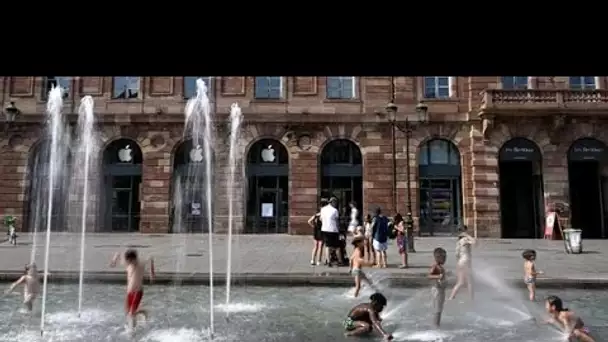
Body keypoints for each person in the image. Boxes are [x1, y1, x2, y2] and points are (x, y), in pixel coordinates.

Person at [109, 249, 155, 333]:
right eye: (128, 260)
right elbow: (117, 254)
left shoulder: (141, 263)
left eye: (131, 260)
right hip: (129, 292)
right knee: (128, 313)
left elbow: (151, 258)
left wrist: (152, 273)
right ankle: (143, 311)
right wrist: (114, 259)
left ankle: (131, 332)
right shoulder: (127, 264)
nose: (129, 262)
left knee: (131, 314)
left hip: (138, 291)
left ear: (135, 258)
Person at [448, 226, 476, 300]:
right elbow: (475, 242)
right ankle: (471, 299)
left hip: (460, 262)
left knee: (461, 282)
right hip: (466, 261)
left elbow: (457, 255)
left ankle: (451, 297)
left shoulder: (458, 242)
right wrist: (467, 235)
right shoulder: (465, 239)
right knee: (470, 281)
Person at [320, 197, 343, 266]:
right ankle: (340, 261)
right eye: (336, 203)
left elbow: (321, 219)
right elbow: (337, 221)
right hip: (333, 230)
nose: (336, 205)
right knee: (337, 246)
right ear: (333, 202)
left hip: (324, 229)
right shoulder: (335, 210)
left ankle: (328, 261)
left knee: (327, 246)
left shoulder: (323, 209)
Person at [428, 247, 447, 327]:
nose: (445, 259)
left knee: (439, 309)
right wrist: (439, 276)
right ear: (439, 258)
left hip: (440, 290)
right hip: (437, 290)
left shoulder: (440, 267)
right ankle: (436, 326)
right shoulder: (435, 266)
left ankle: (437, 324)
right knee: (437, 309)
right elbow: (429, 276)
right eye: (444, 257)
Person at [308, 199, 327, 266]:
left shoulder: (316, 215)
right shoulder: (323, 216)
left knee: (315, 246)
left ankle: (312, 260)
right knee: (320, 247)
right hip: (322, 231)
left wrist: (314, 226)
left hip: (316, 231)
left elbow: (309, 221)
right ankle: (318, 261)